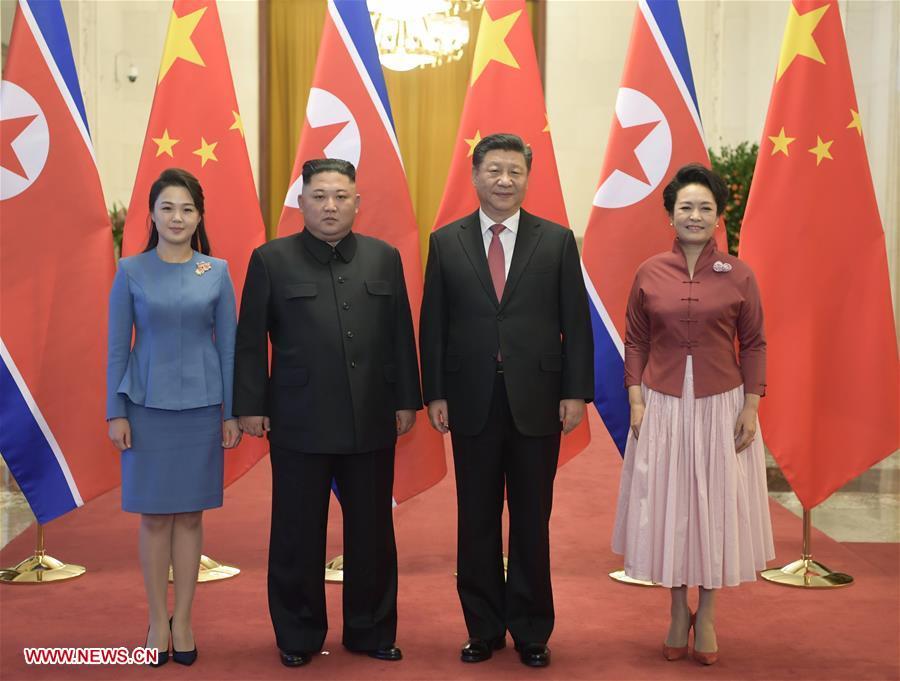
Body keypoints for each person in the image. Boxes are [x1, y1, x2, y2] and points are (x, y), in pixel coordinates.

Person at [233, 158, 420, 667]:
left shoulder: (384, 258)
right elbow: (250, 341)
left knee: (373, 533)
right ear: (301, 202)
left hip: (371, 417)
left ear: (357, 202)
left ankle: (371, 630)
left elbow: (401, 334)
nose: (330, 205)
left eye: (341, 196)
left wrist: (408, 398)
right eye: (319, 196)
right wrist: (249, 405)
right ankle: (297, 634)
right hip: (299, 419)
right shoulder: (271, 260)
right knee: (296, 532)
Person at [419, 133, 594, 668]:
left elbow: (575, 324)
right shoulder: (446, 241)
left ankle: (532, 628)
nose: (504, 180)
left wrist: (575, 393)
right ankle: (483, 627)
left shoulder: (557, 240)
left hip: (538, 399)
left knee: (531, 518)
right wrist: (435, 393)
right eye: (493, 170)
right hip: (470, 398)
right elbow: (434, 325)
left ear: (527, 177)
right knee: (475, 517)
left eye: (514, 171)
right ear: (475, 176)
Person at [611, 163, 775, 665]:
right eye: (686, 207)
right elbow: (636, 338)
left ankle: (706, 612)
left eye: (705, 207)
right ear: (670, 215)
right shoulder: (649, 271)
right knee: (672, 503)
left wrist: (751, 404)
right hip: (661, 402)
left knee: (713, 506)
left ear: (719, 215)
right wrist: (636, 398)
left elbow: (754, 343)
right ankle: (676, 609)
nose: (695, 215)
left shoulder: (740, 273)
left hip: (721, 403)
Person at [107, 168, 241, 667]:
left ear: (199, 215)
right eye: (167, 208)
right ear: (152, 215)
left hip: (203, 410)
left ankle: (183, 619)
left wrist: (231, 413)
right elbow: (118, 348)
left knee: (189, 516)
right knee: (154, 517)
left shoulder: (219, 271)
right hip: (144, 409)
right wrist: (114, 412)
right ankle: (155, 619)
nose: (177, 217)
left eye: (187, 208)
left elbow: (229, 348)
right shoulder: (131, 271)